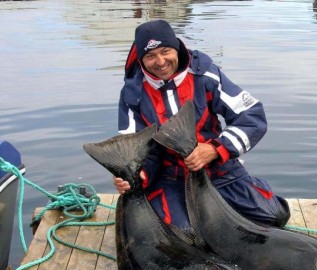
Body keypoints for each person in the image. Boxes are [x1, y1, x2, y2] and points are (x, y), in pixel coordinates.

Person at [114, 19, 290, 229]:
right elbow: (138, 150)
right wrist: (137, 174)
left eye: (166, 51)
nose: (160, 61)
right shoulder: (133, 94)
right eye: (150, 56)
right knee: (184, 235)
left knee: (274, 217)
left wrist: (215, 149)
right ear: (142, 60)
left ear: (177, 49)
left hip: (218, 169)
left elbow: (252, 116)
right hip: (170, 177)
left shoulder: (204, 74)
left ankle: (246, 188)